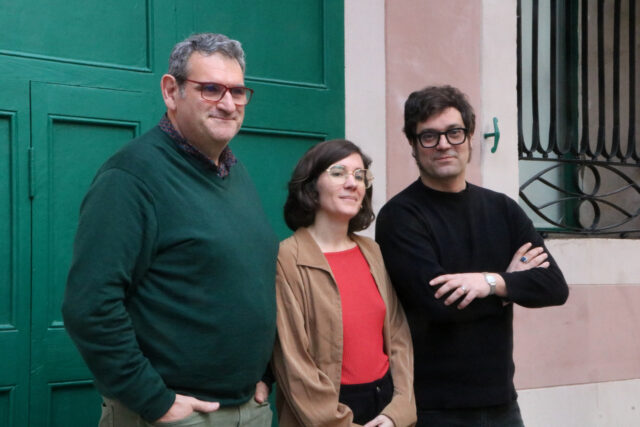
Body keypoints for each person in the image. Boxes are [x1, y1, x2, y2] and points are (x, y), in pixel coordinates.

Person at [62, 33, 278, 427]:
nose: (228, 104)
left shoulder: (234, 172)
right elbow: (90, 306)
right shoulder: (130, 176)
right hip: (176, 415)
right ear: (170, 91)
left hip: (248, 408)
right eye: (210, 89)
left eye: (237, 91)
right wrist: (155, 401)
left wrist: (265, 375)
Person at [375, 85, 569, 426]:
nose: (444, 144)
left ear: (469, 137)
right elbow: (438, 306)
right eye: (429, 136)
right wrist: (509, 287)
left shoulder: (503, 209)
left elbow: (554, 287)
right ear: (413, 145)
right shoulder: (401, 216)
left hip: (502, 404)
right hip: (433, 408)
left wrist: (489, 282)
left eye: (454, 132)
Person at [271, 139, 416, 426]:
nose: (353, 183)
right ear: (311, 186)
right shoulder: (287, 258)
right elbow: (293, 363)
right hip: (326, 413)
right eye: (338, 173)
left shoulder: (372, 251)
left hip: (384, 406)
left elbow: (398, 334)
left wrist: (397, 412)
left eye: (360, 176)